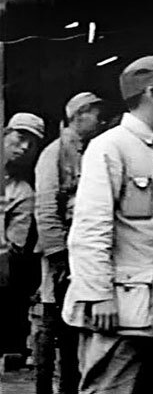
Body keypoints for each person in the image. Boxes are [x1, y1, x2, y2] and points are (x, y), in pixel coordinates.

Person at [61, 55, 153, 393]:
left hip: (148, 307)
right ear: (152, 92)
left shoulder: (150, 151)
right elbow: (90, 229)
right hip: (117, 307)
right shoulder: (109, 148)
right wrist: (98, 295)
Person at [33, 92, 104, 394]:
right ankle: (43, 388)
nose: (100, 121)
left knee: (74, 323)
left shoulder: (90, 150)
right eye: (95, 114)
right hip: (60, 252)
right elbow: (46, 206)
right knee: (52, 321)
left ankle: (69, 387)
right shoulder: (54, 153)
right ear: (79, 115)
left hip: (82, 247)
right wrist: (58, 254)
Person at [0, 113, 44, 362]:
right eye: (20, 137)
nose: (25, 146)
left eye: (32, 143)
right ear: (5, 134)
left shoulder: (23, 192)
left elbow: (13, 248)